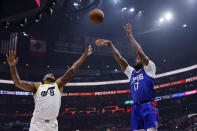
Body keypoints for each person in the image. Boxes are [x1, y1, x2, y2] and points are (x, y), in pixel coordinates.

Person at [6, 45, 92, 131]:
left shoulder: (57, 85)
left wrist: (84, 55)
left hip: (52, 124)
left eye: (52, 75)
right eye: (48, 74)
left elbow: (72, 69)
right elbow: (18, 83)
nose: (51, 74)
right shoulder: (37, 86)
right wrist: (12, 67)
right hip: (37, 123)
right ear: (43, 79)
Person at [95, 24, 158, 131]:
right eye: (136, 59)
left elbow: (139, 52)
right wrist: (110, 44)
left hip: (148, 105)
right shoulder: (131, 72)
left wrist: (130, 36)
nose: (136, 59)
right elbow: (119, 58)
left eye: (138, 59)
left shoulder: (149, 67)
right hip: (136, 107)